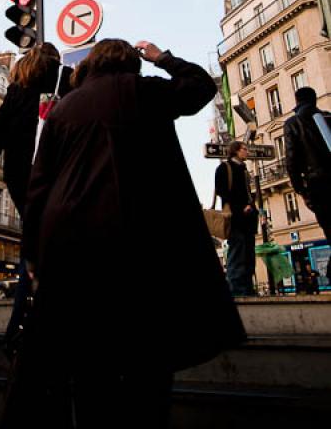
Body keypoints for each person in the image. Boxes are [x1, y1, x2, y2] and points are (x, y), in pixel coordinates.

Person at [21, 39, 246, 429]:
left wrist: (34, 254)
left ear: (91, 64)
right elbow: (201, 86)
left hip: (74, 248)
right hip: (145, 243)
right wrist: (163, 58)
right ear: (130, 62)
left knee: (89, 365)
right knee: (148, 360)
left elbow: (38, 186)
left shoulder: (63, 110)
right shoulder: (148, 91)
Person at [0, 42, 71, 352]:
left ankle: (19, 325)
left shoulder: (18, 88)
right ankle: (43, 318)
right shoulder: (65, 78)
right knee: (53, 242)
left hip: (20, 176)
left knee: (34, 239)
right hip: (54, 171)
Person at [285, 87, 331, 264]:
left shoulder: (293, 123)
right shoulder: (327, 118)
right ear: (315, 99)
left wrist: (300, 190)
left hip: (317, 183)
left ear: (297, 101)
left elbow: (291, 159)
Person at [215, 140, 258, 297]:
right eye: (244, 149)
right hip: (235, 218)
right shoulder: (224, 168)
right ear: (236, 151)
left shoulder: (244, 169)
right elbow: (222, 192)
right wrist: (240, 208)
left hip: (248, 219)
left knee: (248, 255)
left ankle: (248, 289)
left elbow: (247, 192)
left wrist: (252, 206)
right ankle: (237, 291)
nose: (247, 152)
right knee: (237, 254)